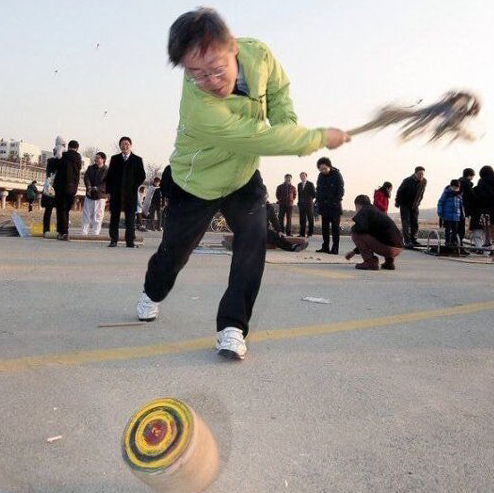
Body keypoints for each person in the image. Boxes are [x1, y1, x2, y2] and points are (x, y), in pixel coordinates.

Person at [136, 8, 350, 360]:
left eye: (217, 68)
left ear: (233, 47)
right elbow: (258, 138)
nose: (210, 81)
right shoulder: (201, 108)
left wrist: (287, 123)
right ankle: (151, 292)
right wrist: (317, 137)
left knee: (253, 241)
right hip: (197, 183)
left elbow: (278, 91)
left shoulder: (259, 54)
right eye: (195, 73)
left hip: (242, 176)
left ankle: (232, 327)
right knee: (174, 254)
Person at [345, 195, 404, 270]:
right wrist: (354, 252)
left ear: (357, 205)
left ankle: (370, 262)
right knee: (383, 235)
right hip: (398, 248)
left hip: (388, 248)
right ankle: (389, 262)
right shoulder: (376, 211)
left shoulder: (364, 211)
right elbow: (371, 237)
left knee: (356, 234)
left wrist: (353, 228)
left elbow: (361, 231)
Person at [106, 136, 146, 248]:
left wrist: (133, 185)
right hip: (116, 193)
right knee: (114, 217)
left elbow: (142, 175)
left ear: (130, 146)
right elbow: (109, 176)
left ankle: (130, 241)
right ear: (120, 146)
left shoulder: (137, 159)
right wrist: (109, 191)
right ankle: (113, 240)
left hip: (130, 194)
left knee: (130, 218)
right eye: (122, 144)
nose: (125, 146)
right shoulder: (115, 159)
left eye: (127, 144)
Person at [54, 140, 82, 240]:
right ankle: (64, 231)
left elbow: (56, 165)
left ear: (68, 147)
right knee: (66, 210)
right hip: (72, 188)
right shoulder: (78, 158)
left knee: (61, 209)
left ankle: (62, 232)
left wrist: (58, 153)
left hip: (61, 187)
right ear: (77, 148)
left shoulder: (63, 155)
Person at [315, 157, 344, 254]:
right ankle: (325, 247)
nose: (323, 171)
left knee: (335, 229)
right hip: (324, 206)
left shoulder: (337, 174)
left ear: (329, 166)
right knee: (325, 228)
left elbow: (341, 190)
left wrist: (336, 201)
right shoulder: (320, 176)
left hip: (334, 207)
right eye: (321, 169)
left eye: (325, 168)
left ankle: (335, 248)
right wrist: (317, 200)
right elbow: (318, 189)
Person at [395, 166, 427, 249]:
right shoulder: (407, 181)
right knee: (406, 222)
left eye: (422, 174)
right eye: (419, 174)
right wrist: (397, 202)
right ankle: (407, 240)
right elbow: (400, 191)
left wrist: (418, 202)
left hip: (415, 205)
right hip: (405, 204)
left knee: (414, 222)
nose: (421, 176)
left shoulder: (424, 181)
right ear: (415, 173)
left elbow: (421, 193)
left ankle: (413, 239)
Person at [42, 136, 65, 236]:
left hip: (50, 187)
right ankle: (58, 230)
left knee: (49, 210)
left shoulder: (50, 161)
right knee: (58, 210)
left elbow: (49, 175)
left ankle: (46, 230)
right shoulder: (59, 162)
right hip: (56, 188)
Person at [81, 152, 108, 235]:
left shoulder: (107, 170)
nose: (96, 159)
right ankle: (84, 232)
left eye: (98, 158)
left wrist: (98, 188)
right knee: (86, 215)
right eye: (95, 157)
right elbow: (86, 178)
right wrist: (89, 186)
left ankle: (95, 233)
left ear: (103, 159)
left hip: (100, 196)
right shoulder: (90, 168)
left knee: (98, 216)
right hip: (90, 195)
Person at [472, 165, 494, 251]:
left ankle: (485, 249)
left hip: (484, 212)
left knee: (485, 233)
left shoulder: (481, 184)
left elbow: (477, 198)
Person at [437, 179, 464, 246]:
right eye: (454, 188)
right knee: (448, 230)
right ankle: (447, 242)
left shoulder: (459, 195)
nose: (455, 189)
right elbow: (440, 202)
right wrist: (440, 212)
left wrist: (462, 214)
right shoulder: (446, 193)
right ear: (451, 186)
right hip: (447, 216)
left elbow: (461, 206)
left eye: (457, 188)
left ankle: (453, 242)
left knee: (455, 230)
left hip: (456, 217)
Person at [458, 168, 475, 245]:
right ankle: (459, 245)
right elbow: (471, 196)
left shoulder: (459, 182)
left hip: (457, 208)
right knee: (461, 227)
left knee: (457, 227)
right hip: (463, 208)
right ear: (470, 175)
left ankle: (456, 243)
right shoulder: (467, 183)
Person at [297, 172, 316, 237]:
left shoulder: (310, 184)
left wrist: (309, 200)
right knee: (302, 219)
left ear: (306, 176)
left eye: (303, 176)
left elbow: (314, 194)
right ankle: (302, 234)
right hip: (301, 205)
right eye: (301, 176)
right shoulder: (299, 185)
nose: (302, 177)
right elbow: (299, 194)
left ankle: (310, 233)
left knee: (310, 219)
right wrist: (299, 202)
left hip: (309, 204)